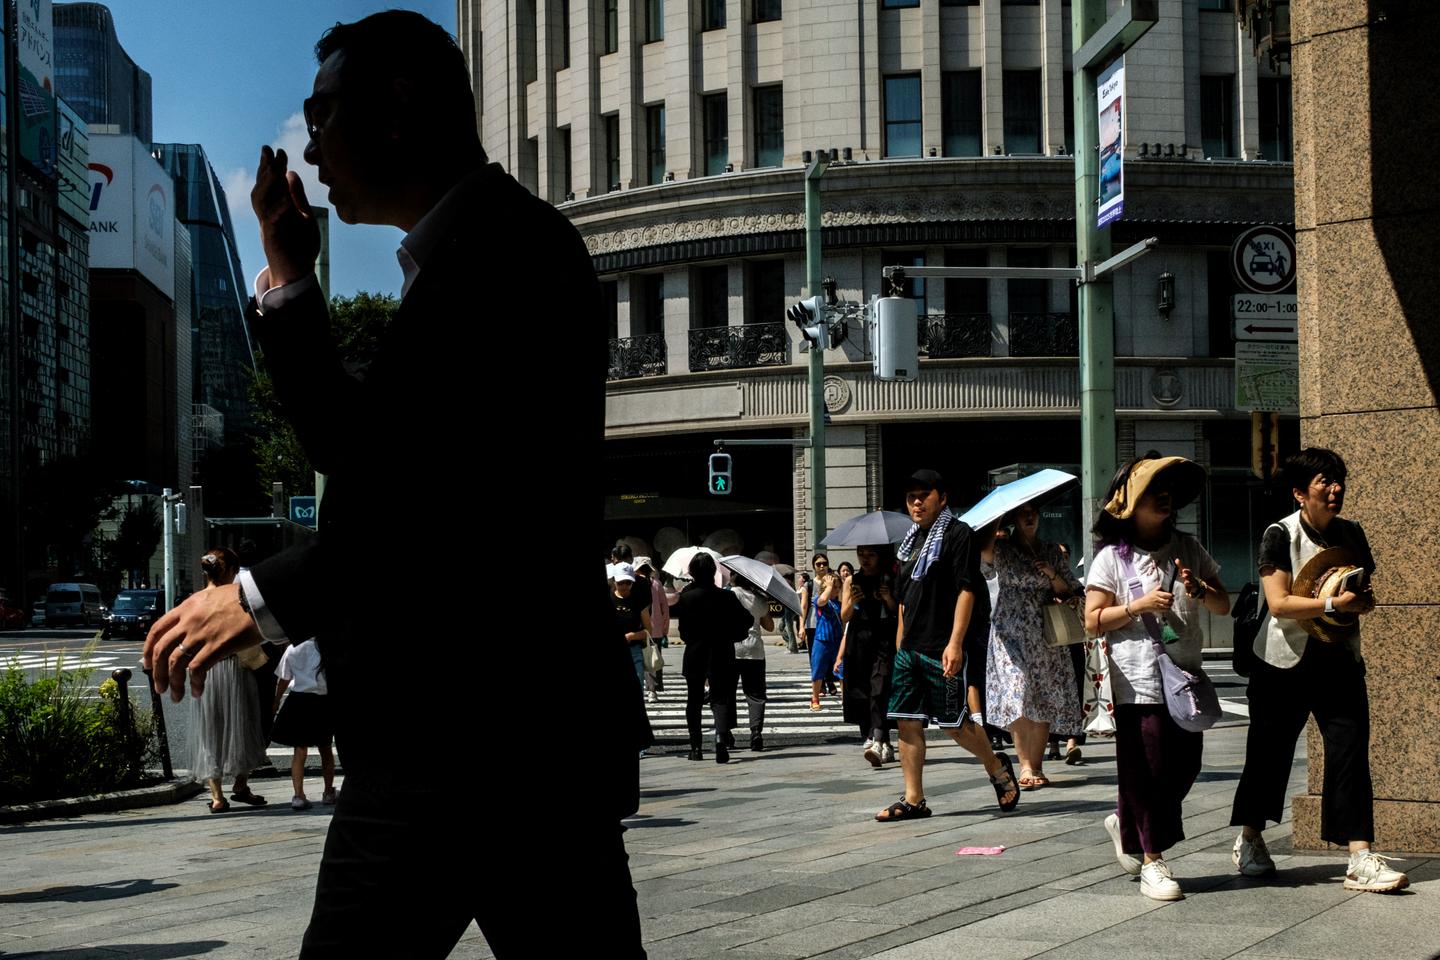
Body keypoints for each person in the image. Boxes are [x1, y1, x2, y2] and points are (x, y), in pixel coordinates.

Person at [141, 12, 646, 956]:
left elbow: (444, 508)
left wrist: (256, 594)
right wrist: (290, 281)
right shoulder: (469, 256)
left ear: (401, 108)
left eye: (323, 113)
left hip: (462, 736)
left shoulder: (507, 255)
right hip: (500, 738)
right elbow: (368, 454)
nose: (311, 142)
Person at [1228, 448, 1407, 893]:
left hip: (1338, 657)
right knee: (1269, 756)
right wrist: (1331, 602)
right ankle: (1250, 838)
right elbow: (1279, 603)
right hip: (1282, 661)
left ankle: (1360, 856)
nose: (1335, 489)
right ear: (1299, 493)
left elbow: (1361, 586)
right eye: (1324, 481)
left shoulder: (1351, 533)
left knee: (1349, 751)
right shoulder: (1279, 534)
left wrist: (1358, 601)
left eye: (1338, 480)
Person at [1083, 453, 1230, 901]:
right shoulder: (1113, 558)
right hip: (1137, 682)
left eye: (1168, 493)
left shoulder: (1188, 547)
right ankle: (1153, 860)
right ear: (1130, 505)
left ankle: (1126, 820)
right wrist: (1137, 606)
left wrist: (1201, 589)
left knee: (1185, 768)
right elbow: (1091, 620)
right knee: (1146, 769)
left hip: (1184, 676)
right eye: (1152, 493)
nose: (1164, 500)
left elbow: (1223, 605)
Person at [875, 469, 1020, 822]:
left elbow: (967, 589)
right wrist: (900, 645)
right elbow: (904, 600)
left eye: (924, 495)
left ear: (942, 497)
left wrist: (955, 643)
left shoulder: (958, 534)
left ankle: (996, 766)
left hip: (943, 645)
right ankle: (914, 799)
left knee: (956, 725)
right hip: (910, 647)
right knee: (907, 722)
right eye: (911, 497)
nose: (917, 503)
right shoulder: (909, 543)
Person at [985, 504, 1083, 789]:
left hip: (1044, 632)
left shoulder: (1051, 550)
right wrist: (996, 520)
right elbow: (983, 554)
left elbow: (1071, 589)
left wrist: (1052, 575)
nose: (1029, 517)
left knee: (1040, 696)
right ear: (1013, 518)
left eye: (1034, 512)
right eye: (1022, 513)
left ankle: (1036, 765)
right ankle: (1025, 764)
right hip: (1008, 630)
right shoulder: (1001, 548)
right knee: (1018, 691)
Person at [189, 548, 270, 814]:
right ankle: (241, 784)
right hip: (236, 668)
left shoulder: (195, 600)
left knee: (210, 730)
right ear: (232, 571)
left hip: (208, 670)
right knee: (243, 724)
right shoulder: (237, 597)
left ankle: (216, 797)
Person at [670, 553, 752, 763]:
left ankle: (696, 747)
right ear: (714, 572)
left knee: (694, 700)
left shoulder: (687, 598)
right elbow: (747, 619)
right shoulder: (727, 597)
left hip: (696, 653)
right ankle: (720, 740)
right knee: (720, 698)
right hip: (722, 651)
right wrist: (732, 634)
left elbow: (683, 632)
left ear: (693, 573)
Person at [835, 545, 898, 766]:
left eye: (870, 555)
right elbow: (844, 616)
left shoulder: (889, 577)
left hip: (883, 638)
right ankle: (883, 741)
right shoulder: (851, 580)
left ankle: (878, 738)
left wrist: (888, 597)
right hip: (859, 639)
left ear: (879, 556)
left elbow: (896, 611)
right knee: (865, 689)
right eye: (861, 554)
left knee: (880, 685)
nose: (865, 559)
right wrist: (852, 600)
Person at [271, 638, 337, 811]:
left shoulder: (293, 648)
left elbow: (284, 678)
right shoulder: (325, 647)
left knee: (299, 750)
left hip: (299, 701)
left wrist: (277, 700)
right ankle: (328, 792)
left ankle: (298, 795)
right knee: (326, 748)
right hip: (323, 701)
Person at [727, 573, 775, 752]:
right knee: (755, 694)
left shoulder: (730, 594)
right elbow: (770, 626)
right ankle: (756, 733)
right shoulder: (760, 599)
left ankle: (726, 733)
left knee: (728, 692)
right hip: (754, 650)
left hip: (732, 648)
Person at [803, 553, 842, 711]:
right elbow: (822, 600)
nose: (834, 590)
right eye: (831, 587)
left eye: (836, 587)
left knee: (842, 670)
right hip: (822, 639)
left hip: (838, 640)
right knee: (818, 668)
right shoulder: (818, 599)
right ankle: (815, 697)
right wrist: (829, 587)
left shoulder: (840, 603)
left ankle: (845, 698)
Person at [612, 563, 653, 687]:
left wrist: (631, 636)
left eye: (628, 582)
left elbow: (648, 630)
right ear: (614, 581)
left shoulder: (639, 601)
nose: (624, 586)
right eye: (620, 582)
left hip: (634, 650)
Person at [635, 558, 669, 703]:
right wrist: (664, 629)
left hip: (638, 629)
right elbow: (664, 608)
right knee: (653, 658)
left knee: (640, 658)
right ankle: (653, 690)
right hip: (655, 628)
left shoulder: (633, 584)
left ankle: (648, 689)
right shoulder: (657, 584)